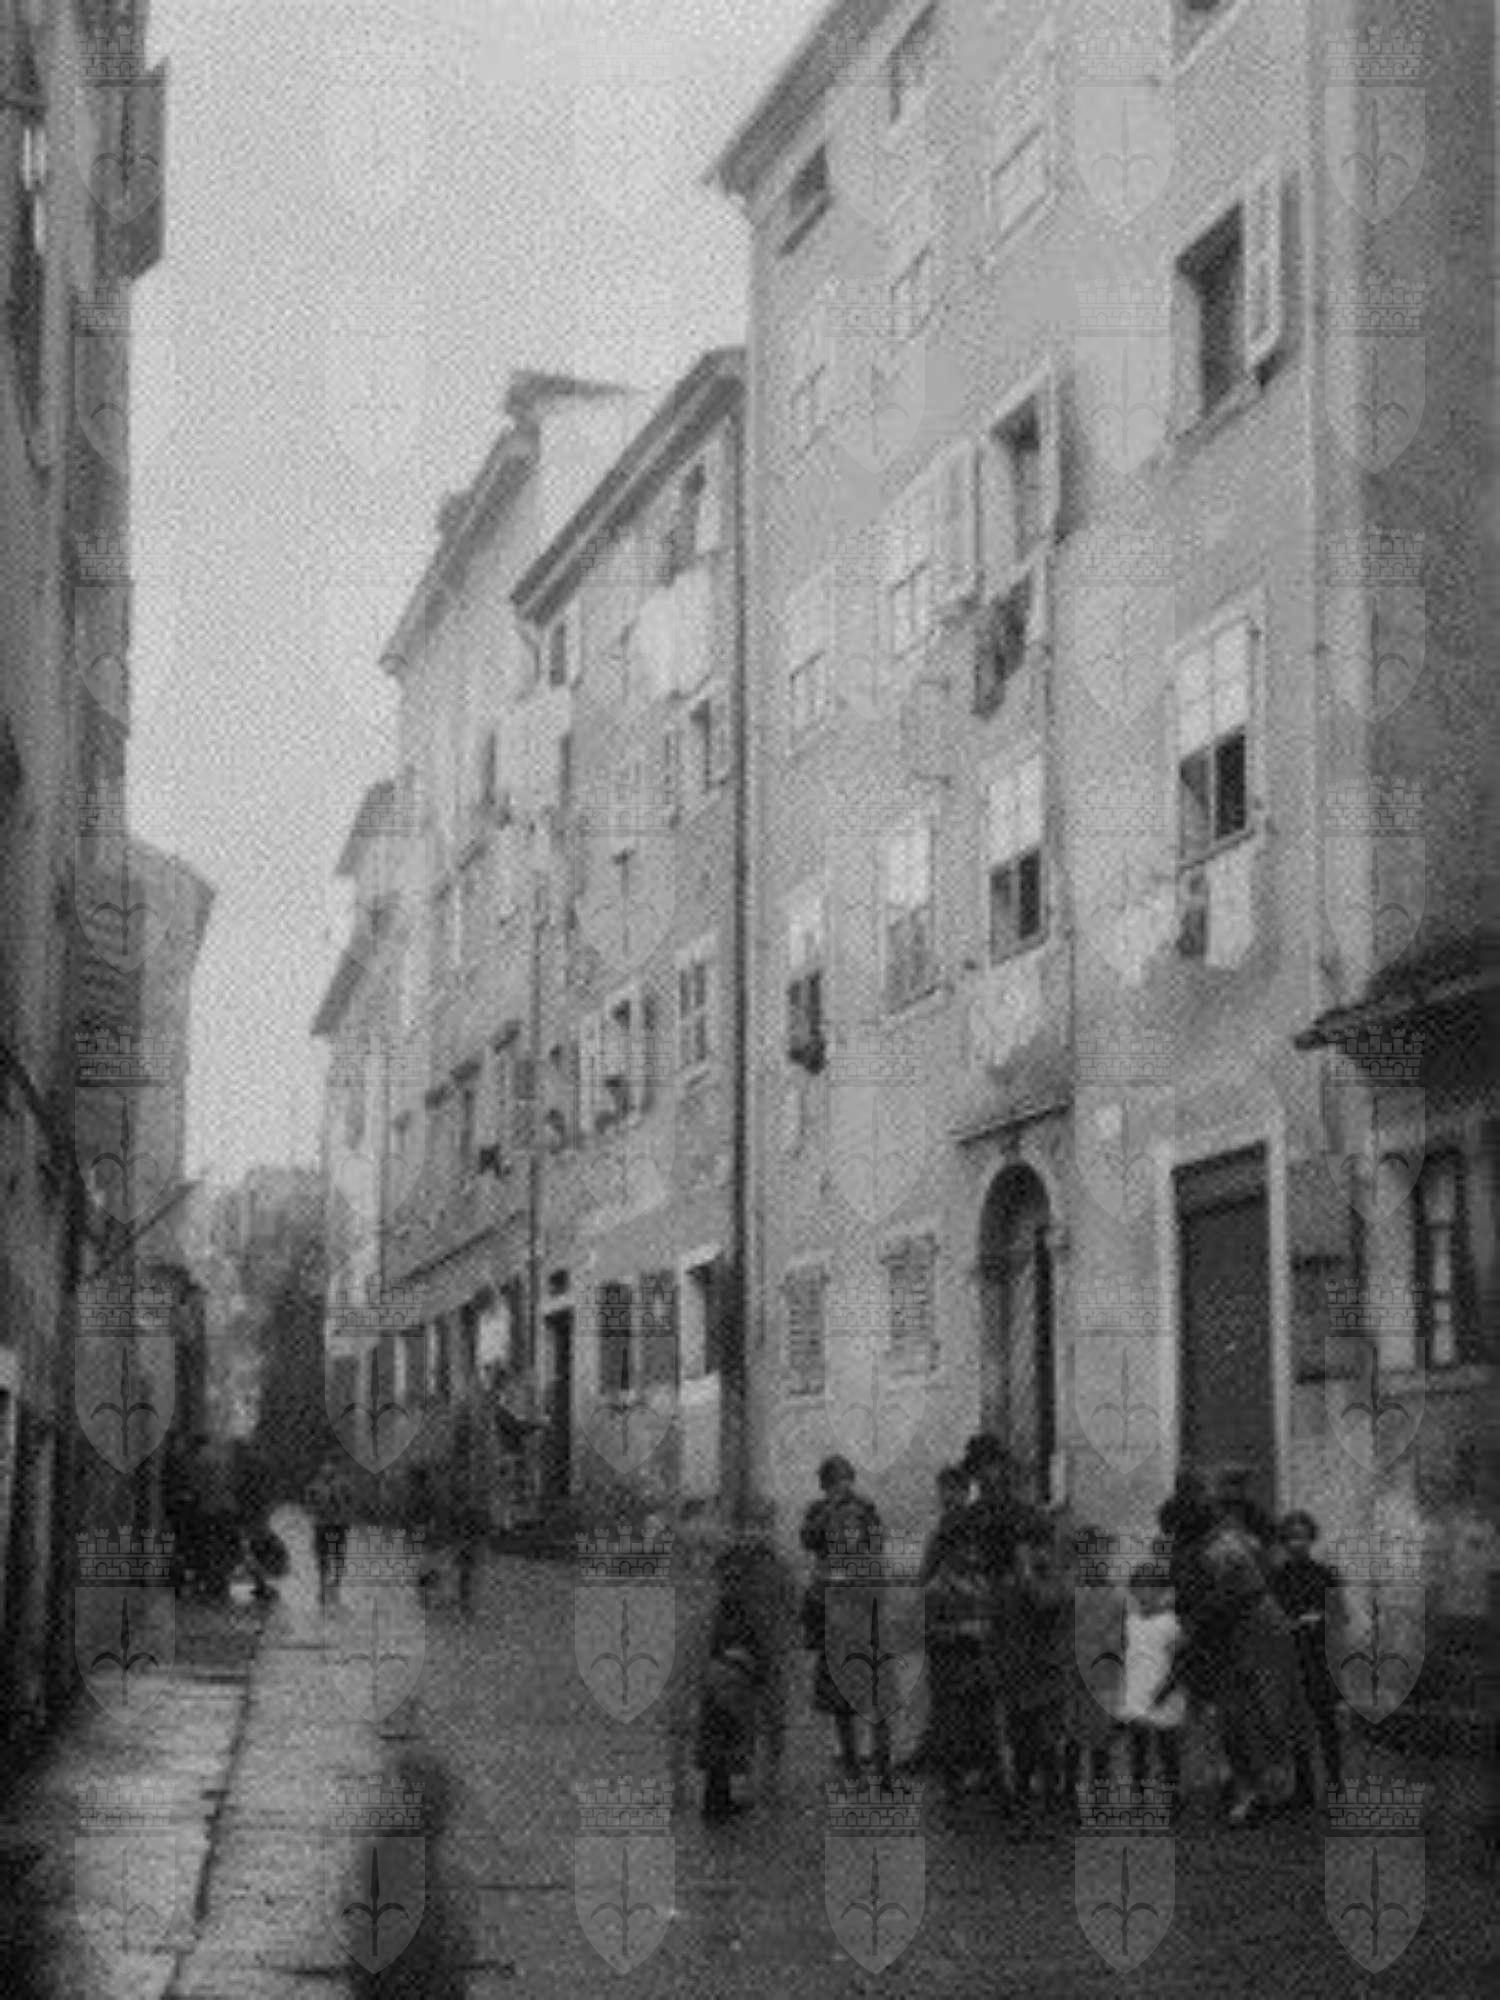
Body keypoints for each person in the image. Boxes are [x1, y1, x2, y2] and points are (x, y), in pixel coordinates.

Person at [1168, 1468, 1313, 1825]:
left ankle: (1270, 1790)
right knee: (1234, 1716)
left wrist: (1194, 1633)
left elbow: (1227, 1597)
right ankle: (1247, 1787)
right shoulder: (1201, 1545)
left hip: (1253, 1629)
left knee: (1266, 1711)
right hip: (1229, 1635)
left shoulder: (1222, 1545)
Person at [961, 1433, 1048, 1809]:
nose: (986, 1475)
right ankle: (1003, 1773)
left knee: (1018, 1695)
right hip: (989, 1605)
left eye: (991, 1466)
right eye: (981, 1469)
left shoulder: (1018, 1511)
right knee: (992, 1694)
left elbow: (1037, 1554)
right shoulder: (975, 1514)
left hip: (1014, 1608)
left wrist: (1027, 1577)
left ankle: (1023, 1775)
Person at [801, 1456, 891, 1783]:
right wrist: (828, 1511)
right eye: (834, 1481)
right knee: (840, 1696)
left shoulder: (866, 1509)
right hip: (834, 1609)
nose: (841, 1486)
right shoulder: (818, 1510)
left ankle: (883, 1768)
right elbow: (807, 1540)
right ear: (825, 1485)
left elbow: (877, 1548)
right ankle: (852, 1766)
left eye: (845, 1479)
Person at [919, 1466, 995, 1803]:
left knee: (978, 1717)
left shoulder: (977, 1576)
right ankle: (953, 1777)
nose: (972, 1553)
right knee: (951, 1718)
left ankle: (978, 1771)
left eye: (950, 1490)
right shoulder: (940, 1585)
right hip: (952, 1659)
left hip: (975, 1660)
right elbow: (929, 1624)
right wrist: (959, 1630)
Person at [1270, 1510, 1345, 1807]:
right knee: (1296, 1727)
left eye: (1301, 1537)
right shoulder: (1277, 1578)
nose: (1296, 1543)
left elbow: (1341, 1617)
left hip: (1320, 1659)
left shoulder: (1326, 1575)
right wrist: (1287, 1624)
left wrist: (1320, 1620)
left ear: (1311, 1539)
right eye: (1290, 1538)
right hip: (1290, 1658)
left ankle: (1336, 1787)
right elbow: (1271, 1618)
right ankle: (1304, 1789)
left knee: (1327, 1726)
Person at [1006, 1520, 1071, 1834]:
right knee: (1021, 1748)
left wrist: (1027, 1569)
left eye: (1042, 1547)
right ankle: (1023, 1811)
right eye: (1033, 1547)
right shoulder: (1014, 1583)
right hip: (1020, 1675)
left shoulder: (1057, 1580)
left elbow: (1044, 1602)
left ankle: (1048, 1810)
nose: (1039, 1553)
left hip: (1047, 1676)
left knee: (1046, 1745)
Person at [1064, 1524, 1121, 1812]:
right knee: (1074, 1736)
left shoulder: (1110, 1589)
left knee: (1100, 1738)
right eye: (1098, 1551)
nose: (1103, 1557)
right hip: (1077, 1671)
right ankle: (1071, 1794)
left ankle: (1099, 1794)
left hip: (1102, 1671)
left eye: (1104, 1552)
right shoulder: (1071, 1588)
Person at [1118, 1560, 1186, 1805]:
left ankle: (1173, 1797)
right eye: (1138, 1588)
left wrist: (1166, 1688)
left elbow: (1179, 1661)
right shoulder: (1130, 1622)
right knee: (1138, 1749)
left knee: (1168, 1749)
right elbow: (1125, 1655)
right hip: (1136, 1694)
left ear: (1160, 1590)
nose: (1142, 1593)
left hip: (1164, 1694)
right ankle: (1139, 1797)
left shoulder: (1171, 1623)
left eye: (1148, 1587)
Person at [309, 1454, 353, 1602]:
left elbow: (350, 1503)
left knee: (338, 1555)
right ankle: (322, 1585)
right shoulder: (315, 1486)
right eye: (324, 1466)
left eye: (330, 1466)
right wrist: (315, 1512)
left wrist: (346, 1519)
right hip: (322, 1525)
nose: (327, 1468)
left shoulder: (343, 1484)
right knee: (322, 1555)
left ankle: (336, 1583)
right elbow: (309, 1504)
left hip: (338, 1524)